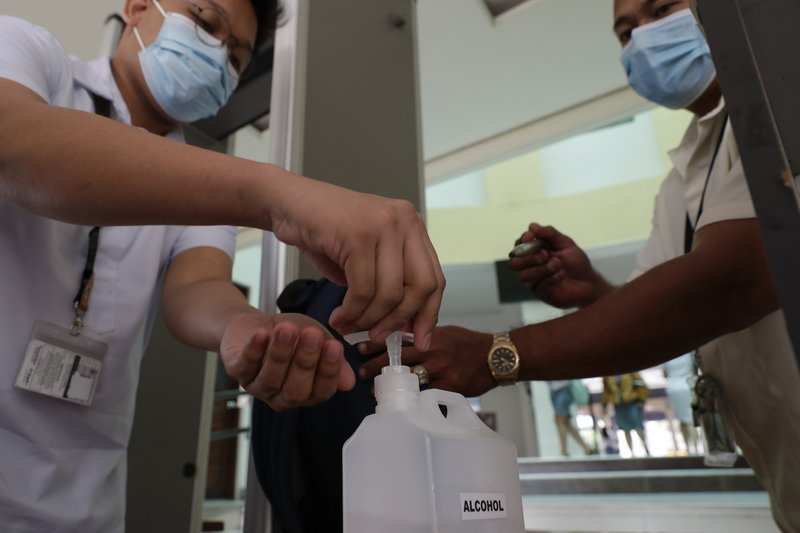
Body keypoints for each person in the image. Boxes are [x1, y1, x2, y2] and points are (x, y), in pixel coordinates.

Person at [0, 1, 444, 531]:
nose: (216, 57)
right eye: (205, 23)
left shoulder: (199, 191)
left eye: (235, 57)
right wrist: (280, 196)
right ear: (138, 7)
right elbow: (13, 142)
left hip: (84, 505)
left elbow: (199, 287)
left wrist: (251, 330)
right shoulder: (30, 54)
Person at [360, 1, 800, 530]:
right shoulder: (682, 179)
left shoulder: (781, 105)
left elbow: (732, 281)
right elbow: (663, 313)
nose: (642, 40)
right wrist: (594, 290)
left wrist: (496, 354)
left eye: (662, 9)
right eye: (625, 33)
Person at [601, 373, 650, 457]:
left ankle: (646, 449)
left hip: (631, 402)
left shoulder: (630, 371)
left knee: (638, 427)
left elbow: (640, 383)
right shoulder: (607, 375)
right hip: (619, 405)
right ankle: (632, 453)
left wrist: (641, 399)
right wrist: (604, 404)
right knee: (625, 429)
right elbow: (606, 390)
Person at [662, 352, 699, 454]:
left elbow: (665, 374)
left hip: (673, 387)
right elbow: (695, 369)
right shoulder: (689, 354)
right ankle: (696, 448)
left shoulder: (667, 355)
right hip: (688, 385)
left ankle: (687, 447)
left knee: (681, 419)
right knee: (691, 419)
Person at [547, 380, 593, 457]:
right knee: (566, 423)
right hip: (553, 390)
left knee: (559, 419)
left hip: (563, 387)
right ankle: (586, 448)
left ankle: (564, 451)